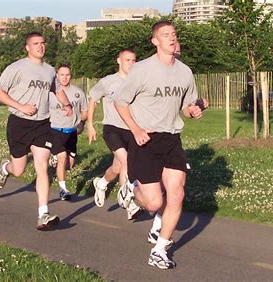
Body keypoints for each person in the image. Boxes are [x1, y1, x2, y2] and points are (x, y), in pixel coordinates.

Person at [113, 21, 208, 269]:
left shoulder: (185, 72)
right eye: (165, 35)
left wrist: (194, 110)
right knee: (154, 203)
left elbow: (187, 108)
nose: (171, 38)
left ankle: (159, 250)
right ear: (155, 41)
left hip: (172, 138)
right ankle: (131, 189)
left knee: (177, 193)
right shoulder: (142, 70)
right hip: (145, 139)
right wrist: (136, 129)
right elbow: (120, 102)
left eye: (174, 34)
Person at [0, 32, 73, 231]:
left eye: (43, 43)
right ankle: (5, 169)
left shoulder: (49, 70)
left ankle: (43, 214)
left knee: (42, 166)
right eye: (36, 43)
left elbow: (57, 89)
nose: (40, 46)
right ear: (27, 47)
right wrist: (20, 106)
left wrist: (67, 104)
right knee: (18, 170)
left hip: (42, 124)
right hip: (19, 123)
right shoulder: (17, 67)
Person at [87, 49, 141, 220]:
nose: (131, 64)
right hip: (112, 129)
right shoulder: (108, 81)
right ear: (119, 61)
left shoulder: (138, 83)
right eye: (127, 60)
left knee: (117, 168)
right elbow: (93, 99)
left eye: (133, 60)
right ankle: (129, 202)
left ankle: (101, 183)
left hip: (131, 129)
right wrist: (90, 124)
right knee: (126, 161)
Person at [49, 64, 88, 201]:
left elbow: (85, 111)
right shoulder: (51, 93)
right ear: (57, 75)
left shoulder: (78, 93)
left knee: (69, 164)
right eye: (62, 75)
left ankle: (56, 164)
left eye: (67, 75)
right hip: (55, 129)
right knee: (62, 157)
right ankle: (63, 189)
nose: (64, 78)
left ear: (71, 76)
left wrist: (81, 123)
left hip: (72, 132)